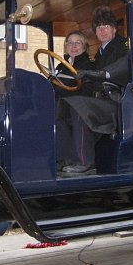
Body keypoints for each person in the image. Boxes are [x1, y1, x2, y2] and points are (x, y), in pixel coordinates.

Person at [58, 5, 129, 175]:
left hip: (115, 101)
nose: (102, 30)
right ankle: (67, 158)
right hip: (99, 102)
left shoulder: (124, 46)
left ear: (114, 29)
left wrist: (98, 73)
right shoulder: (99, 54)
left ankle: (86, 162)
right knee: (59, 108)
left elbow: (124, 65)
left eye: (106, 26)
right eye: (98, 28)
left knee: (78, 105)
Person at [54, 31, 93, 170]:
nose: (73, 46)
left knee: (75, 109)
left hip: (82, 105)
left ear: (84, 46)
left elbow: (86, 90)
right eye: (70, 42)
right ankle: (65, 158)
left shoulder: (88, 65)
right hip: (64, 104)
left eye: (78, 42)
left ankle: (84, 160)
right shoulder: (61, 66)